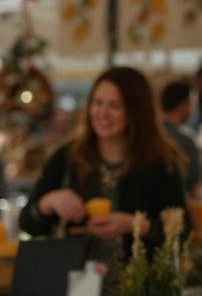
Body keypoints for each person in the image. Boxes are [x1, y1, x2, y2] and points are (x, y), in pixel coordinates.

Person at [21, 66, 191, 267]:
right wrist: (47, 202)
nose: (103, 113)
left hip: (137, 290)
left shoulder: (159, 163)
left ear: (136, 112)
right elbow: (27, 224)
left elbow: (183, 232)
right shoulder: (67, 157)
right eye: (98, 102)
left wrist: (135, 225)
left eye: (115, 105)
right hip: (74, 286)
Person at [160, 79, 200, 198]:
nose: (193, 110)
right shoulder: (186, 141)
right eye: (192, 105)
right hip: (177, 210)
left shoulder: (147, 136)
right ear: (184, 105)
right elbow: (195, 187)